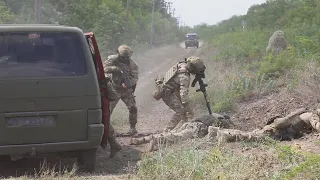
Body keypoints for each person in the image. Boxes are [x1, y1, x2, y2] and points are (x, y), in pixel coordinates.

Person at [152, 56, 206, 132]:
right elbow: (184, 97)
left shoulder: (182, 64)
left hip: (170, 90)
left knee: (183, 109)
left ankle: (184, 125)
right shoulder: (184, 77)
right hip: (167, 93)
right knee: (180, 111)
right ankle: (167, 129)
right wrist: (190, 113)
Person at [130, 113, 231, 152]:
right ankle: (156, 139)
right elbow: (223, 130)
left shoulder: (211, 114)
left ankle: (143, 139)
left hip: (190, 124)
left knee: (173, 133)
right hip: (196, 128)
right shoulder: (221, 120)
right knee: (177, 136)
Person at [103, 44, 139, 135]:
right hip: (114, 89)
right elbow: (103, 68)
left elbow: (135, 77)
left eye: (127, 57)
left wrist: (128, 84)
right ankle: (107, 130)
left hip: (126, 90)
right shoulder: (113, 60)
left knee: (133, 108)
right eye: (123, 57)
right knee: (108, 110)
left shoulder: (133, 64)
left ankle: (133, 129)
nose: (125, 59)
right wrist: (114, 69)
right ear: (118, 54)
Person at [100, 75, 122, 158]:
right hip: (100, 105)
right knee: (105, 123)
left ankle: (114, 145)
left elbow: (114, 96)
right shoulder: (102, 79)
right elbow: (113, 96)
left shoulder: (102, 80)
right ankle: (114, 145)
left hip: (99, 106)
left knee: (104, 123)